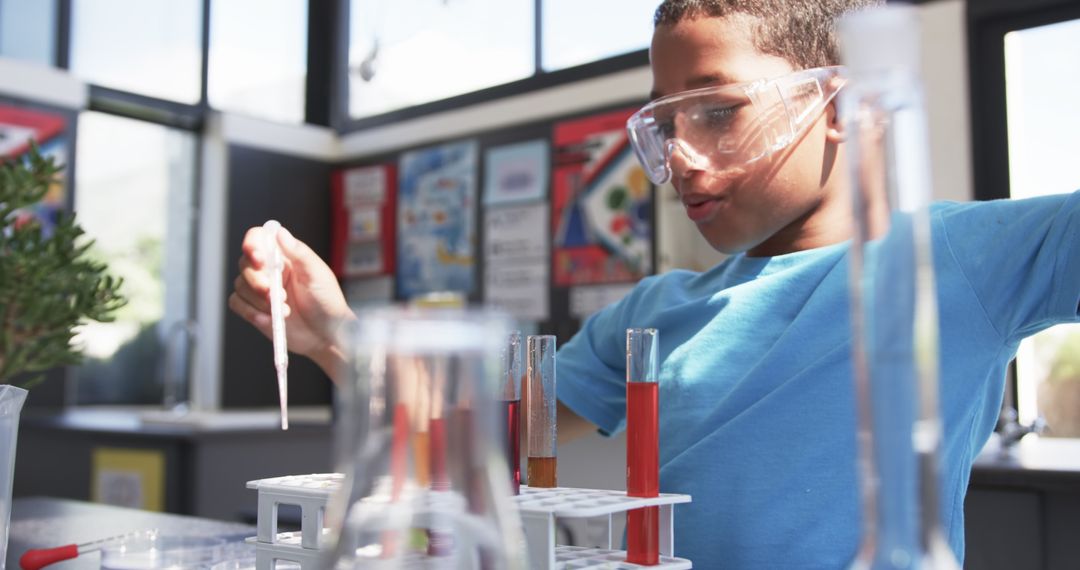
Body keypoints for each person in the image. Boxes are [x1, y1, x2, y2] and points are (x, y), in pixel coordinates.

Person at [230, 0, 1080, 566]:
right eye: (663, 122)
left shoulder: (960, 258)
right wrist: (334, 334)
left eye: (718, 110)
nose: (679, 155)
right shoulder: (654, 315)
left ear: (837, 108)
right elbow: (479, 428)